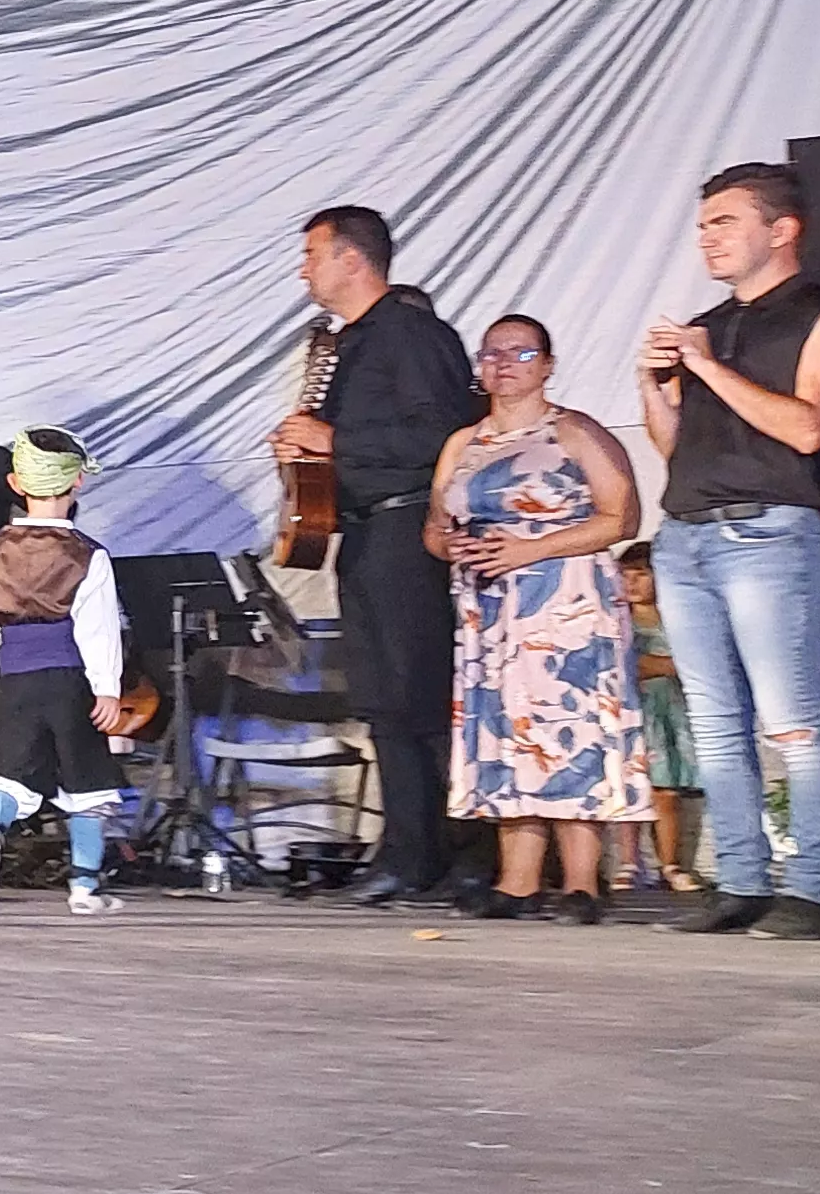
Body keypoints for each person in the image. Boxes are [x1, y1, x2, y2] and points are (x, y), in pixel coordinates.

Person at [635, 162, 820, 937]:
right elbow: (678, 448)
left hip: (769, 533)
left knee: (794, 722)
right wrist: (655, 387)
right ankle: (740, 879)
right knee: (715, 720)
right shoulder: (711, 322)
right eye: (704, 223)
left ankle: (812, 885)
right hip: (685, 536)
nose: (706, 237)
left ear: (781, 230)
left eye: (725, 221)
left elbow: (809, 429)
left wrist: (709, 365)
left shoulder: (812, 314)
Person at [273, 204, 481, 909]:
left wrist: (334, 444)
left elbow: (443, 438)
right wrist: (305, 452)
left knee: (418, 700)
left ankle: (456, 854)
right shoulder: (347, 345)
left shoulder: (413, 334)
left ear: (352, 259)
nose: (304, 268)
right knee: (384, 703)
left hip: (406, 533)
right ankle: (406, 851)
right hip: (360, 533)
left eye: (312, 254)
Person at [431, 314, 651, 923]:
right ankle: (518, 879)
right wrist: (450, 545)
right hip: (492, 611)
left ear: (547, 365)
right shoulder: (463, 443)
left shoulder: (574, 432)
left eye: (520, 353)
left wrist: (529, 548)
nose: (503, 364)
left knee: (569, 731)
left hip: (566, 605)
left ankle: (582, 882)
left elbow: (620, 520)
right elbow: (435, 525)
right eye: (492, 353)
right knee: (507, 734)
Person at [0, 430, 131, 917]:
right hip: (70, 680)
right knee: (86, 781)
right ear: (78, 482)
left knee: (8, 771)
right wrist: (107, 687)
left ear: (15, 482)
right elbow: (99, 629)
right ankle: (83, 890)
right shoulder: (87, 555)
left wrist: (13, 648)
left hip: (16, 678)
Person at [625, 545, 701, 894]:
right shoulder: (619, 620)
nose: (631, 582)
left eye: (640, 574)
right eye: (625, 575)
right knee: (633, 790)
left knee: (669, 793)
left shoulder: (677, 616)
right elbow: (630, 666)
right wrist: (670, 666)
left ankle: (671, 863)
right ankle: (629, 863)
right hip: (637, 712)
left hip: (674, 715)